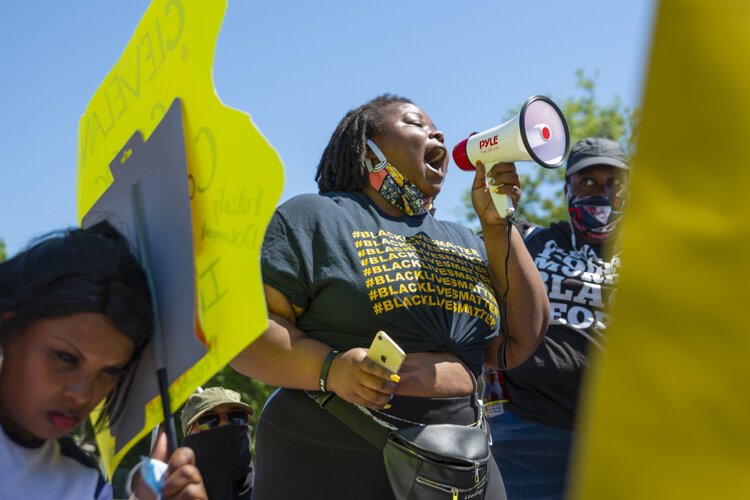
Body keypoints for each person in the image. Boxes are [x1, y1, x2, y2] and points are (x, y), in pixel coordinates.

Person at [230, 94, 550, 499]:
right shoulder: (315, 217)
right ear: (368, 149)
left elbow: (524, 338)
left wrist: (497, 225)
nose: (436, 132)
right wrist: (331, 368)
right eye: (416, 123)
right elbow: (246, 332)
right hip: (333, 458)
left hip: (458, 464)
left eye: (437, 127)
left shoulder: (467, 238)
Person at [0, 221, 207, 500]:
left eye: (110, 371)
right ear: (8, 328)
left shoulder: (85, 484)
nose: (82, 394)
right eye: (66, 357)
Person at [488, 137, 629, 499]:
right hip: (528, 434)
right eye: (587, 183)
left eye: (613, 183)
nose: (601, 193)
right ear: (567, 189)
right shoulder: (530, 240)